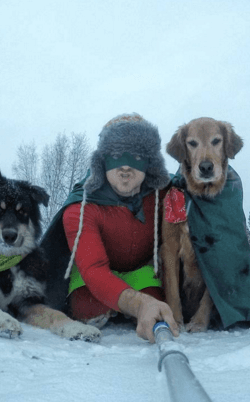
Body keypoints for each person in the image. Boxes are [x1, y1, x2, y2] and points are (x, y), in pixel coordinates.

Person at [40, 113, 179, 343]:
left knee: (158, 304)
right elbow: (94, 268)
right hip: (93, 273)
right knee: (88, 307)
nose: (125, 167)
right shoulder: (81, 206)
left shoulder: (165, 190)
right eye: (115, 155)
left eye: (135, 155)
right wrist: (139, 304)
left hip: (140, 270)